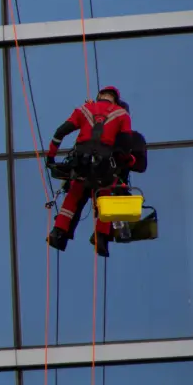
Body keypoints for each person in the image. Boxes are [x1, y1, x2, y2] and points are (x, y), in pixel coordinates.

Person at [46, 86, 132, 258]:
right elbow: (126, 145)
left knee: (74, 196)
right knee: (106, 198)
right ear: (115, 99)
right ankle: (101, 239)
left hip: (81, 163)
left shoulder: (84, 109)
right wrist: (126, 165)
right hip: (105, 166)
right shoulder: (122, 115)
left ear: (99, 96)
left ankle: (58, 233)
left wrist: (50, 157)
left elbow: (60, 132)